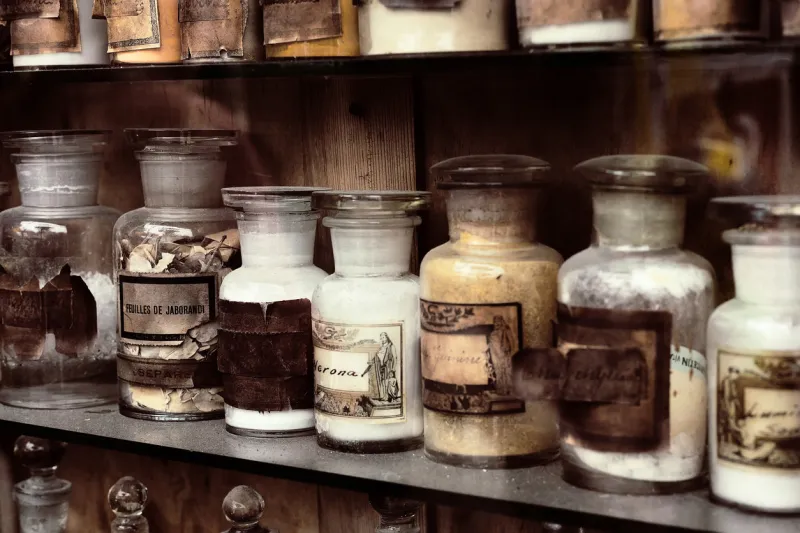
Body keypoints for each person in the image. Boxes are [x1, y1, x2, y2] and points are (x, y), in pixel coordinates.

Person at [373, 332, 397, 401]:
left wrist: (393, 369)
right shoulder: (382, 347)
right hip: (382, 366)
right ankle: (384, 395)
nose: (382, 339)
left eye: (383, 337)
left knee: (388, 380)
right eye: (381, 338)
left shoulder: (391, 346)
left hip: (389, 366)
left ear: (387, 337)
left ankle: (388, 396)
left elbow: (395, 358)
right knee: (383, 381)